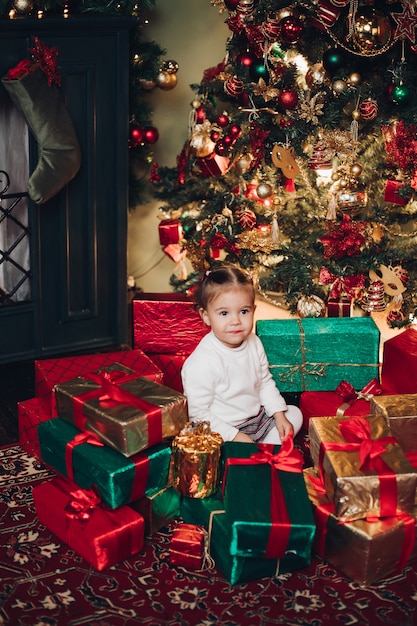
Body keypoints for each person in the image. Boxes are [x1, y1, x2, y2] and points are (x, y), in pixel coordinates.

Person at [181, 265, 303, 444]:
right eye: (224, 313)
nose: (236, 321)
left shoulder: (253, 342)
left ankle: (262, 449)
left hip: (256, 419)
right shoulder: (202, 362)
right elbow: (197, 414)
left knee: (294, 414)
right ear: (206, 316)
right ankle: (255, 453)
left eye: (244, 311)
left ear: (253, 310)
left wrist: (278, 415)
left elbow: (264, 383)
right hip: (222, 428)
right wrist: (235, 436)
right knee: (210, 441)